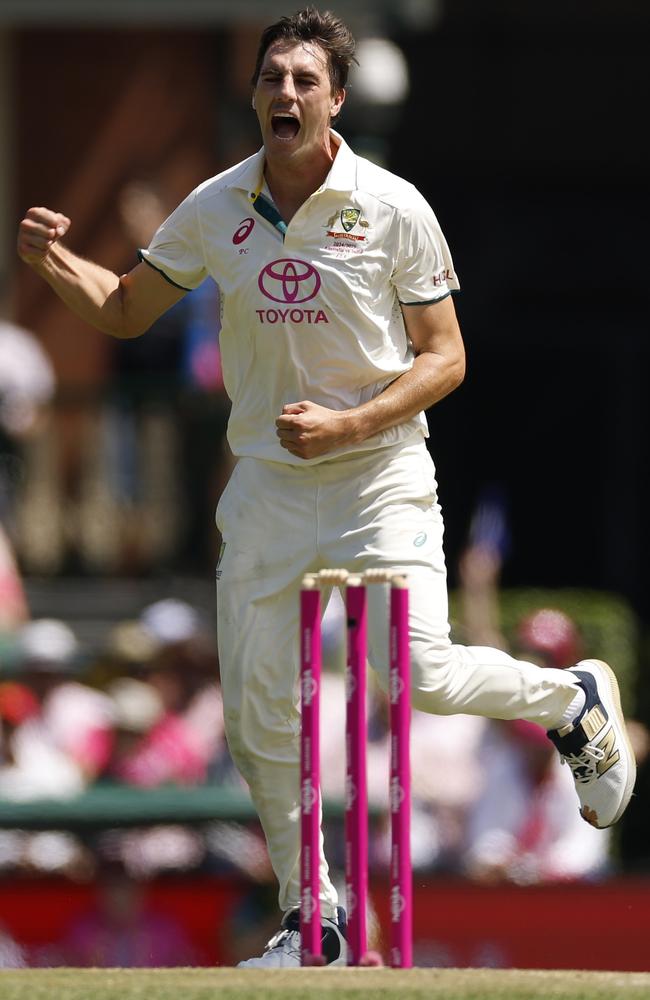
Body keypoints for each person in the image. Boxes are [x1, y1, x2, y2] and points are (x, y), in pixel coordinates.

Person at [16, 6, 636, 968]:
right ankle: (315, 915)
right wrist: (54, 262)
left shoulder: (392, 205)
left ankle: (571, 701)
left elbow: (447, 358)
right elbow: (127, 308)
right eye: (272, 79)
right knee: (257, 705)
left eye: (306, 81)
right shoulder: (216, 204)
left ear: (336, 99)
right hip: (266, 483)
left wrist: (349, 424)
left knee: (419, 678)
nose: (286, 94)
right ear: (255, 95)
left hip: (379, 475)